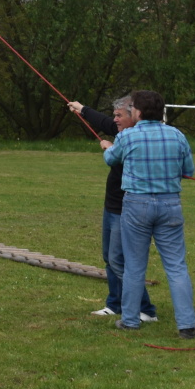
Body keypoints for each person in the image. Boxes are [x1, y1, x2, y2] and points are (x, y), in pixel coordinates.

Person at [100, 90, 195, 338]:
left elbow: (111, 159)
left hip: (136, 205)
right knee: (176, 267)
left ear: (138, 112)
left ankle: (130, 321)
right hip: (170, 204)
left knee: (134, 266)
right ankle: (187, 326)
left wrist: (107, 146)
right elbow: (188, 171)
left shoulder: (127, 136)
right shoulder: (177, 135)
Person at [66, 95, 157, 323]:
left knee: (119, 260)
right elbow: (104, 122)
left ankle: (146, 310)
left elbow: (124, 160)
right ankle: (115, 304)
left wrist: (110, 149)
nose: (114, 120)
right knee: (109, 257)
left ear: (134, 116)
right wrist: (82, 109)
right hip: (112, 205)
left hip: (127, 207)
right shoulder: (122, 131)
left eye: (119, 115)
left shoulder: (137, 138)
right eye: (114, 115)